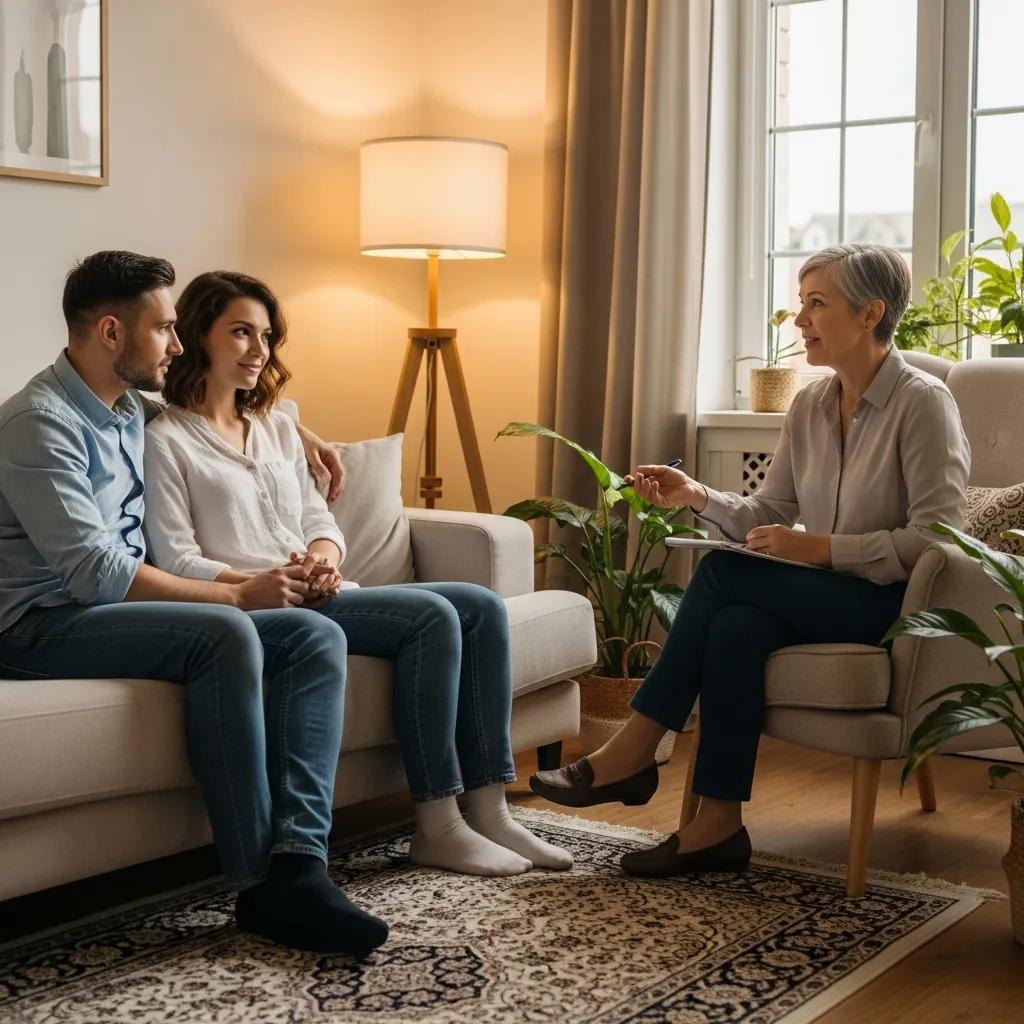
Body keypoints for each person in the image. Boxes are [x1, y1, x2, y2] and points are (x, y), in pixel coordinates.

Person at [530, 243, 971, 877]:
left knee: (720, 573)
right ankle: (717, 826)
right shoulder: (810, 405)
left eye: (817, 304)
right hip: (824, 595)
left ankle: (634, 749)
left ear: (871, 313)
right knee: (736, 625)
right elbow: (771, 510)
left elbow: (940, 539)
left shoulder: (922, 402)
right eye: (801, 303)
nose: (800, 320)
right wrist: (696, 495)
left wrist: (821, 548)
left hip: (896, 605)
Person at [0, 251, 388, 955]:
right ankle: (259, 886)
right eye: (164, 328)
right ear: (111, 332)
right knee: (226, 632)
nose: (177, 345)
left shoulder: (124, 407)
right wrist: (234, 593)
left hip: (103, 613)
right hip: (38, 626)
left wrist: (296, 429)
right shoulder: (38, 422)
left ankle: (301, 861)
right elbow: (94, 572)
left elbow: (213, 416)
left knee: (311, 633)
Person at [142, 269, 573, 877]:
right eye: (240, 332)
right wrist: (258, 583)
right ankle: (439, 826)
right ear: (196, 335)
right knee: (430, 615)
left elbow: (319, 518)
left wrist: (324, 560)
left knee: (479, 606)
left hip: (320, 590)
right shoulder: (164, 441)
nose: (259, 350)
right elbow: (176, 557)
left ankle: (490, 810)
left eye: (266, 336)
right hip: (258, 607)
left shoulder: (277, 427)